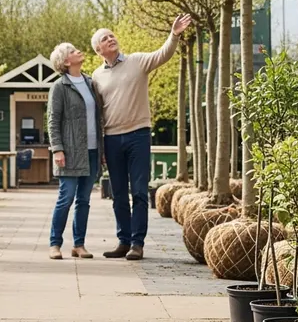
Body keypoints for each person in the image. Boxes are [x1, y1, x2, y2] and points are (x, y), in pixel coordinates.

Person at [90, 14, 192, 260]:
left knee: (138, 191)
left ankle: (137, 243)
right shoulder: (96, 76)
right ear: (98, 49)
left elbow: (162, 54)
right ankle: (123, 241)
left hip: (138, 135)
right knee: (118, 194)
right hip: (112, 139)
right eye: (105, 38)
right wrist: (100, 145)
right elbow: (97, 113)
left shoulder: (137, 61)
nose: (111, 38)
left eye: (111, 35)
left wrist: (174, 34)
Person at [46, 42, 104, 260]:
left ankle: (79, 245)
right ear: (65, 61)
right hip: (69, 152)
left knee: (84, 200)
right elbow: (52, 121)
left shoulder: (90, 83)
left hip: (92, 151)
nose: (78, 51)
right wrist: (57, 150)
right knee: (66, 198)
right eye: (72, 51)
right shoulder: (59, 87)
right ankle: (55, 243)